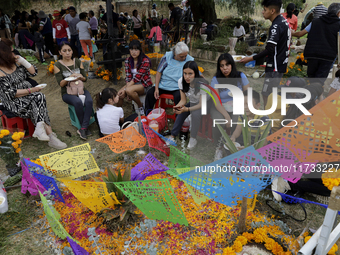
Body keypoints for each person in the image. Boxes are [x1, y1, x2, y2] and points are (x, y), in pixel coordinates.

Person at [0, 39, 67, 149]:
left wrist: (23, 61)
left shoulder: (16, 63)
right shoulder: (0, 72)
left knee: (38, 100)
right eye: (11, 51)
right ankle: (50, 135)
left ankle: (41, 129)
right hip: (13, 103)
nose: (14, 53)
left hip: (27, 96)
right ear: (4, 54)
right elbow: (10, 94)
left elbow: (34, 72)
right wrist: (31, 90)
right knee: (39, 98)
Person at [271, 84, 327, 202]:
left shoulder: (292, 112)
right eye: (322, 97)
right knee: (329, 187)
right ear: (316, 101)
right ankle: (291, 185)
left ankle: (285, 181)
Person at [169, 61, 231, 150]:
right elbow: (183, 100)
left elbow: (201, 105)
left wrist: (187, 109)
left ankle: (193, 138)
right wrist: (178, 106)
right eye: (185, 73)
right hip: (194, 102)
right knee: (181, 113)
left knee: (195, 113)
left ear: (196, 73)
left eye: (190, 74)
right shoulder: (181, 81)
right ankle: (172, 136)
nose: (187, 76)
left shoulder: (202, 84)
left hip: (207, 103)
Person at [240, 0, 290, 108]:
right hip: (281, 64)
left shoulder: (276, 26)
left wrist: (250, 58)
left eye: (265, 9)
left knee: (267, 94)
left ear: (272, 11)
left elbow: (270, 49)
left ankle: (269, 118)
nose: (263, 12)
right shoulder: (284, 21)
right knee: (272, 94)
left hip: (274, 67)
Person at [210, 53, 249, 159]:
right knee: (219, 121)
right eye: (222, 66)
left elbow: (248, 95)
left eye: (227, 65)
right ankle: (218, 148)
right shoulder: (216, 79)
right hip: (220, 107)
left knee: (237, 120)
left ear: (232, 64)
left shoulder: (241, 76)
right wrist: (226, 117)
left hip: (237, 106)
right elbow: (216, 102)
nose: (225, 68)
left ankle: (232, 146)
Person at [53, 42, 93, 140]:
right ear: (60, 52)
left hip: (80, 89)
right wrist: (69, 78)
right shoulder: (57, 65)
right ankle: (84, 127)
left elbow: (85, 79)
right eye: (64, 51)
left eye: (69, 50)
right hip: (67, 93)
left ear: (72, 51)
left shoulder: (78, 62)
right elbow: (61, 84)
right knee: (77, 102)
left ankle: (83, 128)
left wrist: (80, 77)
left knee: (89, 101)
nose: (67, 53)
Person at [145, 42, 194, 112]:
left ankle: (178, 117)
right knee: (150, 93)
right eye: (181, 56)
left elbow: (195, 73)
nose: (184, 58)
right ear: (174, 53)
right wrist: (156, 88)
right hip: (163, 85)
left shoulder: (189, 60)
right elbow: (158, 73)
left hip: (178, 87)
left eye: (185, 56)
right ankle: (148, 113)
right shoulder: (167, 58)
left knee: (179, 97)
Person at [303, 3, 340, 85]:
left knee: (311, 79)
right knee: (319, 82)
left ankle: (314, 96)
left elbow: (302, 33)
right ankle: (314, 96)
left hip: (312, 54)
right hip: (327, 57)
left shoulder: (315, 21)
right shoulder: (338, 24)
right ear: (338, 13)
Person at [117, 40, 152, 115]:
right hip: (132, 84)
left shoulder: (145, 61)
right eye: (131, 49)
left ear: (140, 50)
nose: (133, 52)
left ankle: (141, 106)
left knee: (129, 90)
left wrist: (127, 90)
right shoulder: (127, 61)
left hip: (144, 85)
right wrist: (126, 90)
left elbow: (137, 77)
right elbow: (128, 77)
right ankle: (118, 115)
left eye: (136, 49)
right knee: (119, 94)